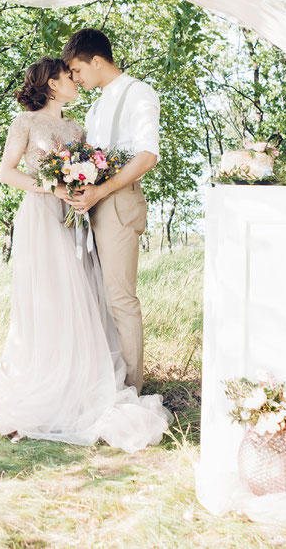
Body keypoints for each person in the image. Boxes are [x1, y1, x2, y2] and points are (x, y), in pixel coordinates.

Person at [0, 56, 170, 452]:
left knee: (80, 293)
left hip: (75, 214)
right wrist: (51, 187)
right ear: (51, 84)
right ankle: (43, 378)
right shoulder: (25, 123)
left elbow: (87, 167)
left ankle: (80, 379)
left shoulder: (77, 128)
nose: (75, 80)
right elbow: (6, 172)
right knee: (48, 296)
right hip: (42, 215)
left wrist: (81, 186)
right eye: (68, 76)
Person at [62, 28, 161, 394]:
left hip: (118, 203)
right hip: (95, 204)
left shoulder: (138, 93)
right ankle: (108, 377)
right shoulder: (97, 102)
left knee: (120, 296)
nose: (75, 78)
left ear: (97, 61)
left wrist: (101, 189)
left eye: (76, 70)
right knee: (98, 296)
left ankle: (132, 389)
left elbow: (147, 155)